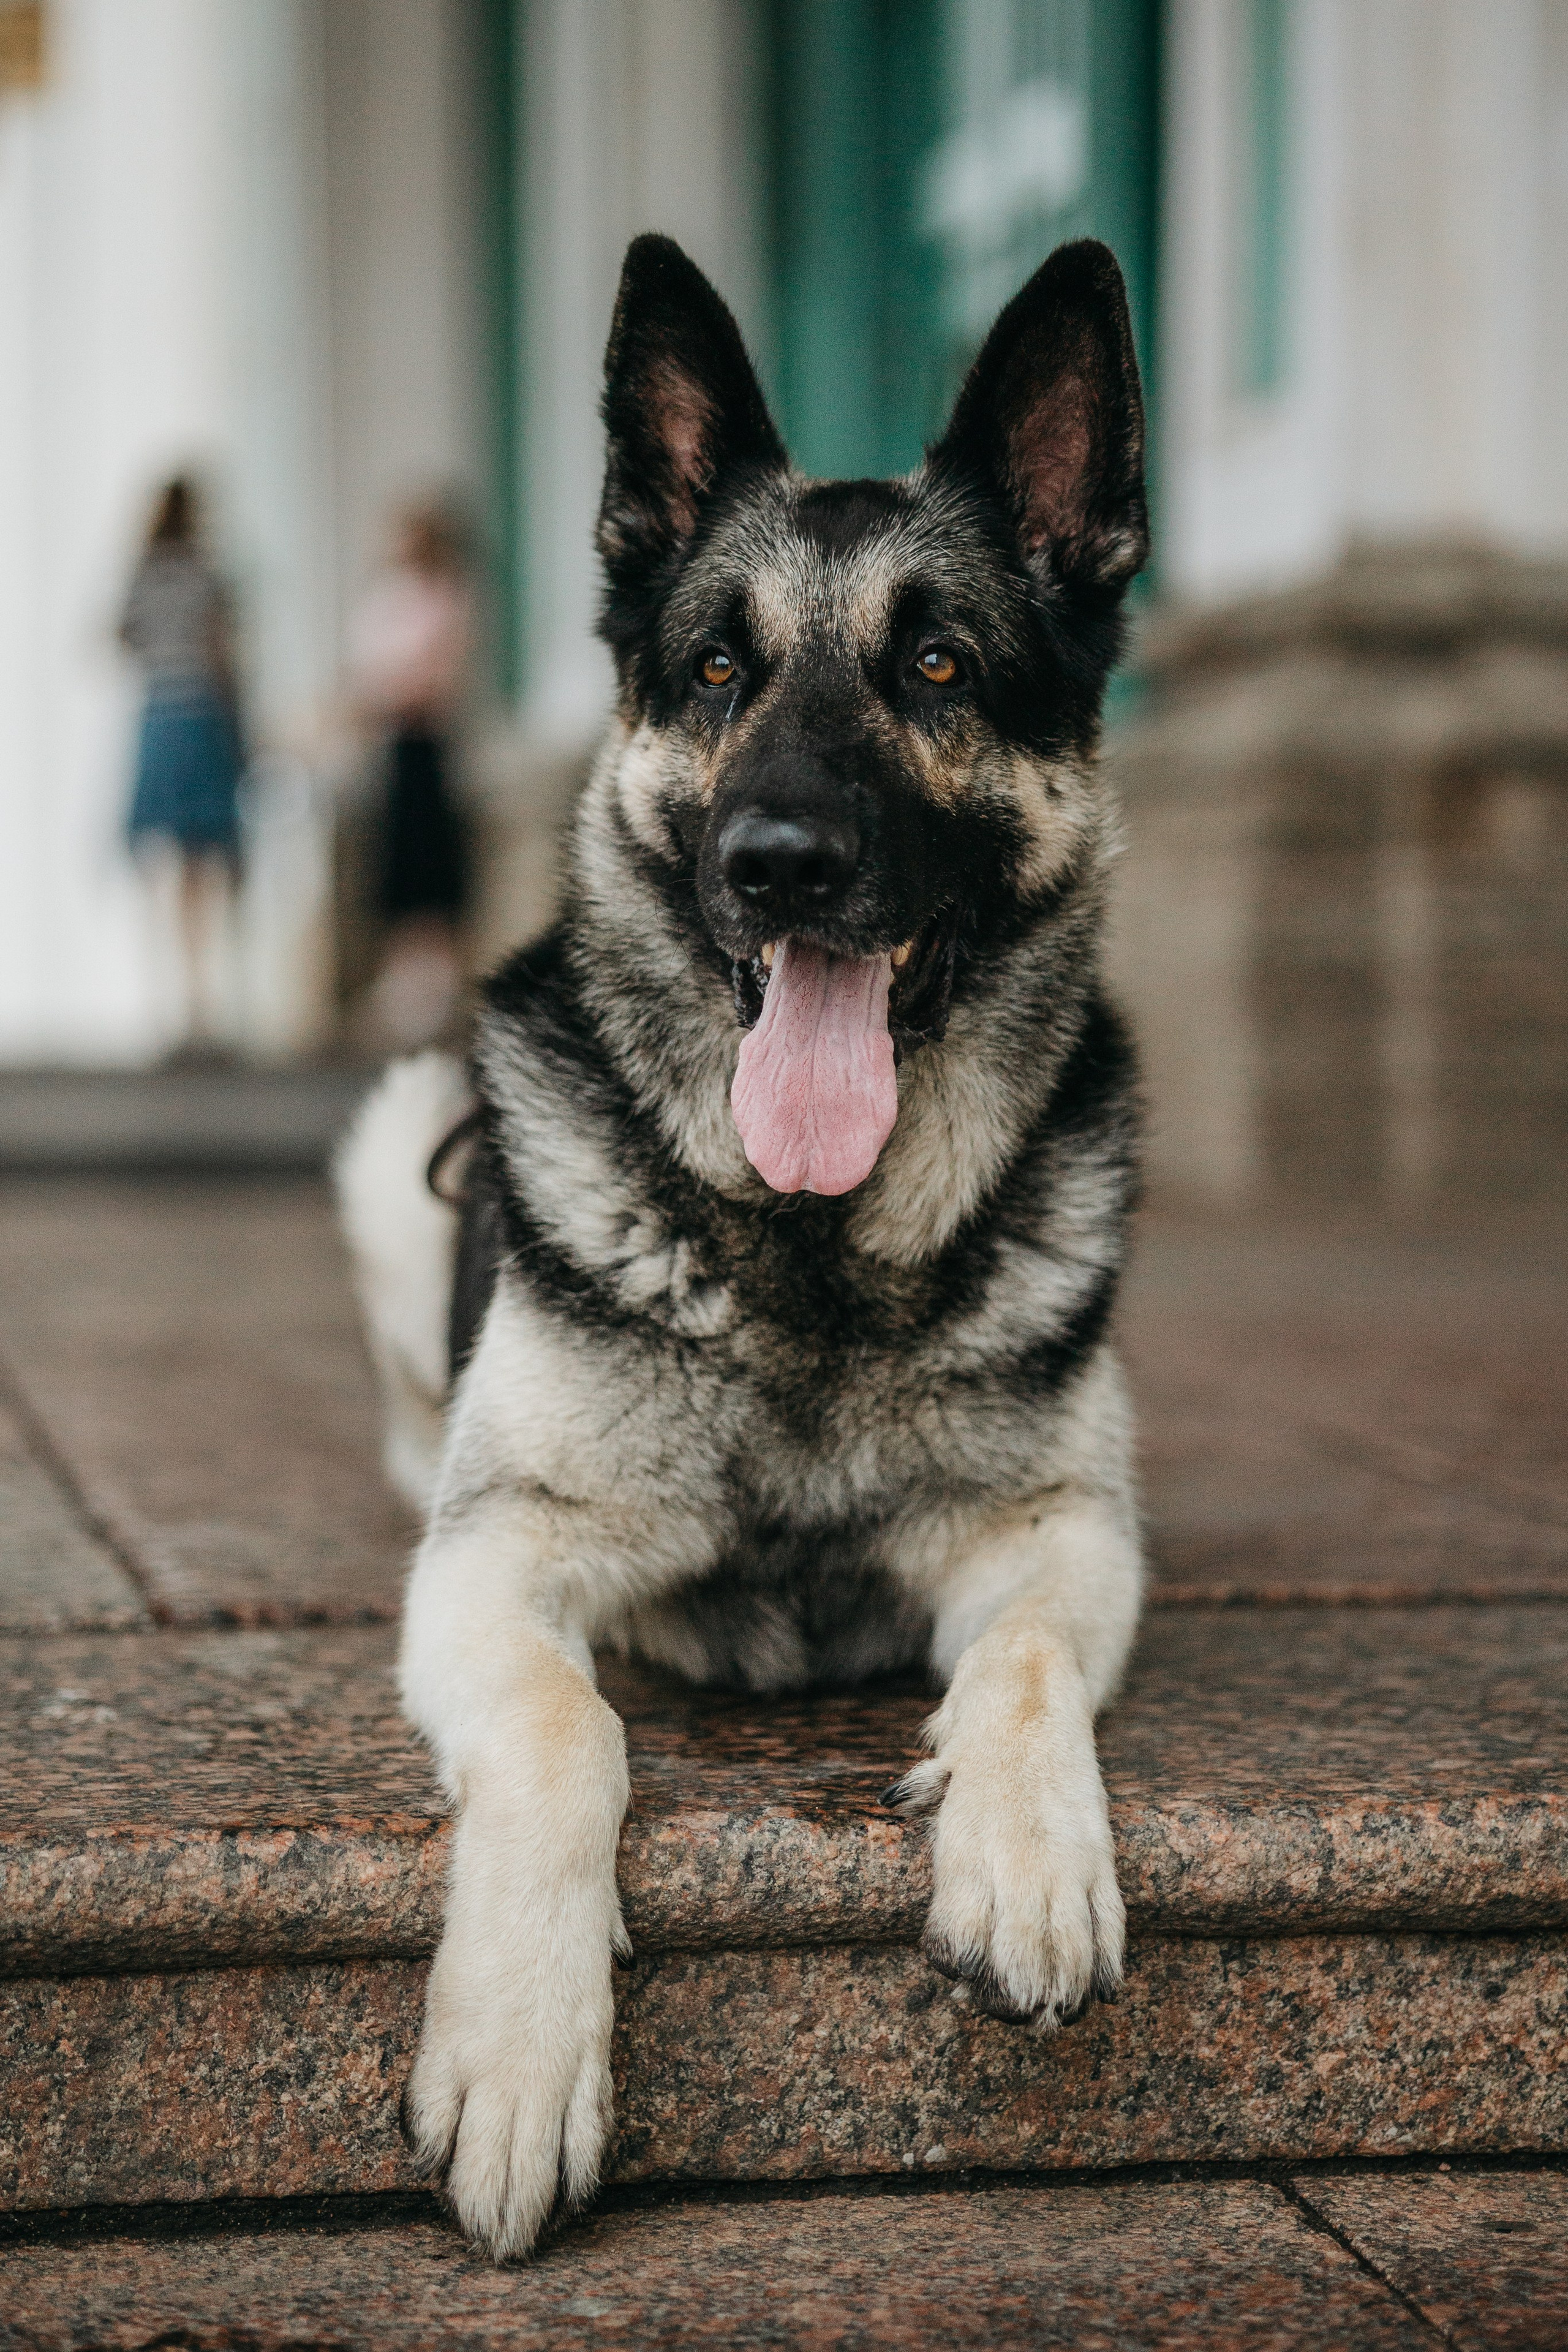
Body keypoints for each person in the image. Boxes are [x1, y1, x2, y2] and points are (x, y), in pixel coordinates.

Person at [121, 475, 247, 1054]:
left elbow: (118, 637)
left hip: (158, 719)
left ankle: (169, 999)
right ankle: (200, 1003)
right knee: (204, 866)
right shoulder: (208, 579)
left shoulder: (144, 577)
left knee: (165, 866)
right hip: (200, 720)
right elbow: (226, 657)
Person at [349, 501, 477, 1047]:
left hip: (427, 743)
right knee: (400, 869)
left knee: (430, 868)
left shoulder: (445, 600)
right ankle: (408, 991)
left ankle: (435, 993)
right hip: (397, 746)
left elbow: (434, 676)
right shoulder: (394, 599)